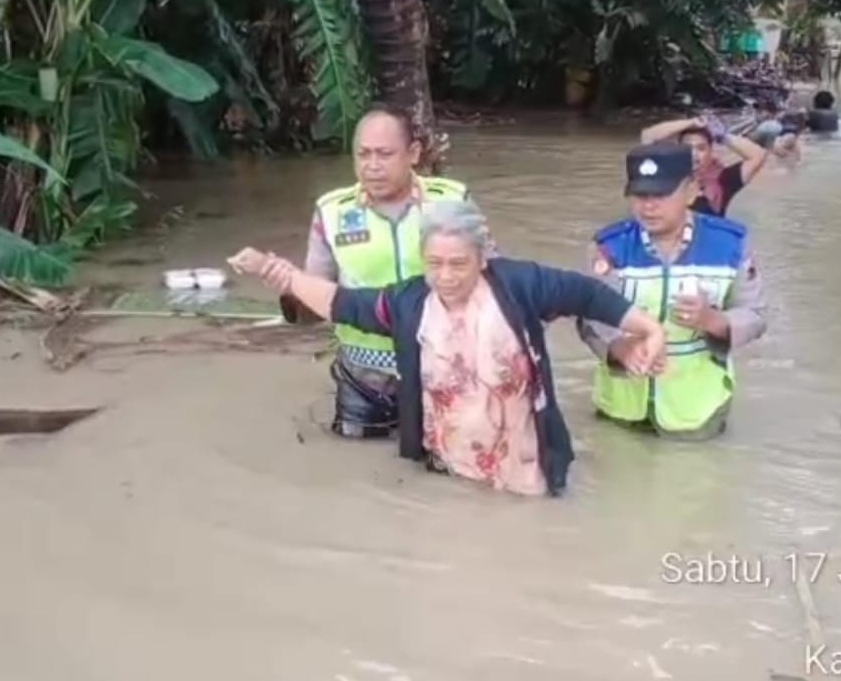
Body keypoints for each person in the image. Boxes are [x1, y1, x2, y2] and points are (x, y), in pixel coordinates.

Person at [231, 200, 667, 497]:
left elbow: (586, 294)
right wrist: (278, 272)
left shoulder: (519, 284)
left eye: (459, 263)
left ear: (482, 257)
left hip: (525, 468)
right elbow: (342, 304)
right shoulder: (409, 303)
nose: (446, 276)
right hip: (448, 469)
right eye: (434, 263)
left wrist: (647, 328)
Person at [287, 105, 472, 441]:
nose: (372, 166)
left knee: (448, 462)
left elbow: (493, 284)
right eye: (363, 155)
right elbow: (316, 299)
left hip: (441, 370)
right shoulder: (332, 212)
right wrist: (291, 289)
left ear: (413, 153)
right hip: (362, 379)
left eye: (384, 154)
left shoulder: (452, 203)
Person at [577, 143, 767, 440]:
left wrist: (711, 320)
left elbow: (754, 315)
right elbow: (590, 316)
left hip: (697, 411)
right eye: (640, 195)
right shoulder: (609, 246)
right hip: (621, 407)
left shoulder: (730, 244)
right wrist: (619, 348)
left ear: (692, 191)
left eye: (661, 194)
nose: (649, 206)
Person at [637, 116, 768, 217]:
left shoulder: (723, 180)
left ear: (711, 152)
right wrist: (692, 122)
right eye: (687, 147)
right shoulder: (666, 174)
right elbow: (648, 136)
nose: (694, 154)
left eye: (701, 148)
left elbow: (758, 155)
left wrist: (723, 137)